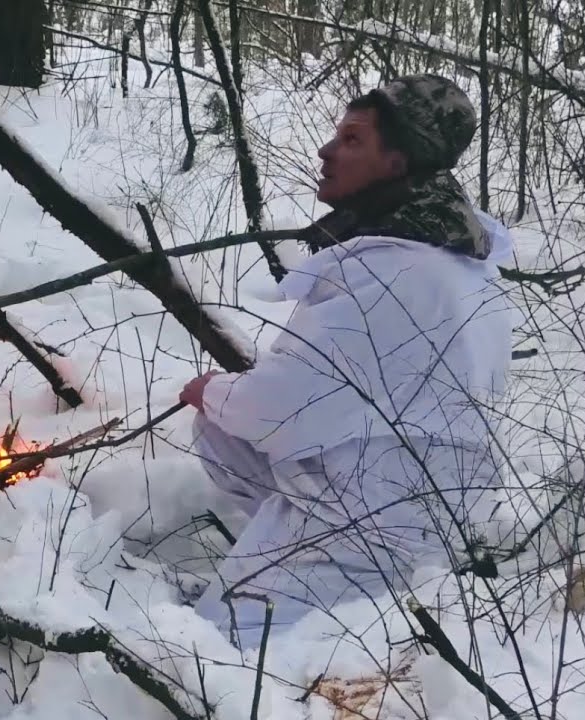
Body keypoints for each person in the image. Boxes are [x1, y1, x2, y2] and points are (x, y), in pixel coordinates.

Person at [180, 74, 516, 650]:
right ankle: (292, 550)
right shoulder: (449, 265)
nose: (327, 150)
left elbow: (283, 406)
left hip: (378, 521)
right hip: (423, 505)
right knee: (223, 431)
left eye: (353, 140)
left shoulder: (395, 271)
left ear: (396, 162)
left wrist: (209, 390)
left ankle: (314, 588)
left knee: (224, 658)